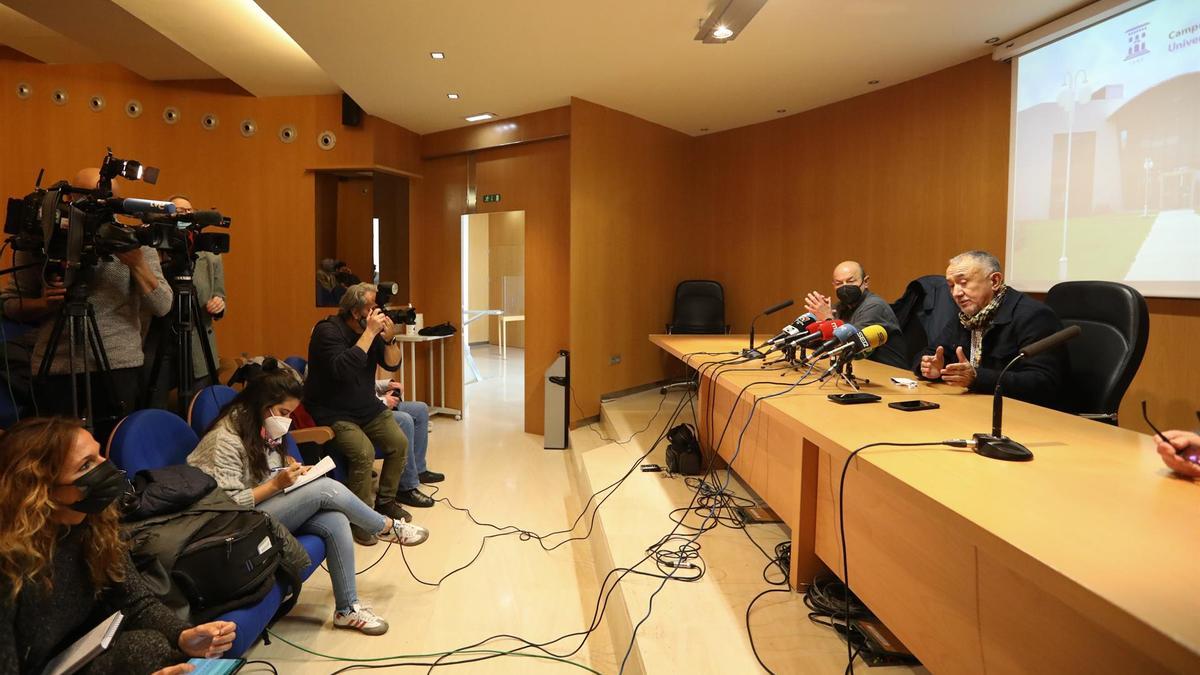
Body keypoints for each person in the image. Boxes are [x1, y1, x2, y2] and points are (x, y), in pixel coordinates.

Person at [188, 363, 427, 636]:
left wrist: (289, 471)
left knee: (335, 519)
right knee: (324, 489)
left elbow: (263, 472)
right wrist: (278, 484)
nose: (286, 420)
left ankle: (347, 610)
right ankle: (385, 527)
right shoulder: (224, 440)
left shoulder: (258, 425)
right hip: (230, 526)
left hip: (259, 509)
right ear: (262, 404)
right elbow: (228, 504)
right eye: (283, 412)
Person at [0, 417, 236, 675]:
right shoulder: (9, 564)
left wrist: (182, 635)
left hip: (76, 658)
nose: (107, 468)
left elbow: (135, 601)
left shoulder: (93, 525)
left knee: (149, 647)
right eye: (86, 465)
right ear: (40, 490)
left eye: (99, 455)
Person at [1, 168, 172, 443]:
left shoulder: (132, 241)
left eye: (108, 200)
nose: (99, 207)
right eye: (90, 199)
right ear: (68, 196)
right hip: (56, 366)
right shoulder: (43, 240)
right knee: (54, 452)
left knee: (115, 449)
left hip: (118, 364)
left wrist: (137, 263)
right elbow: (9, 304)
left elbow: (163, 305)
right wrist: (43, 304)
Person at [303, 283, 415, 545]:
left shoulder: (371, 332)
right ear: (355, 311)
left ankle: (386, 502)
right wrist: (370, 333)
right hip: (332, 411)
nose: (377, 312)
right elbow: (342, 369)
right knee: (363, 451)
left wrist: (389, 338)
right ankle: (361, 519)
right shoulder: (327, 331)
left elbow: (391, 363)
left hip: (366, 407)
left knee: (398, 443)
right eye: (371, 307)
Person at [916, 250, 1068, 409]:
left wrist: (977, 378)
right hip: (978, 406)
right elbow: (929, 353)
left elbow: (1044, 382)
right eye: (951, 286)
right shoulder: (966, 317)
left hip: (1026, 414)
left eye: (963, 282)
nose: (956, 293)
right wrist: (931, 367)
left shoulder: (1034, 316)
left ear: (995, 281)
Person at [143, 194, 226, 408]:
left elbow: (220, 293)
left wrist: (219, 303)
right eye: (178, 212)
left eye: (189, 212)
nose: (185, 216)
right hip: (161, 335)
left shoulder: (209, 253)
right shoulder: (152, 249)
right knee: (154, 402)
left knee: (199, 407)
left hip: (198, 337)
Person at [803, 260, 908, 368]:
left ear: (866, 281)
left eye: (850, 281)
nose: (845, 287)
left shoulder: (875, 306)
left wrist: (828, 319)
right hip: (860, 370)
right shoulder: (839, 307)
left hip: (889, 374)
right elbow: (814, 343)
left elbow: (848, 347)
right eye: (839, 283)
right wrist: (816, 320)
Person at [376, 379, 444, 508]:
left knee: (420, 409)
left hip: (374, 403)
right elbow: (355, 396)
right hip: (365, 411)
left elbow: (367, 382)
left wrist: (387, 384)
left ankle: (418, 470)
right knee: (404, 420)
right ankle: (405, 487)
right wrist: (383, 401)